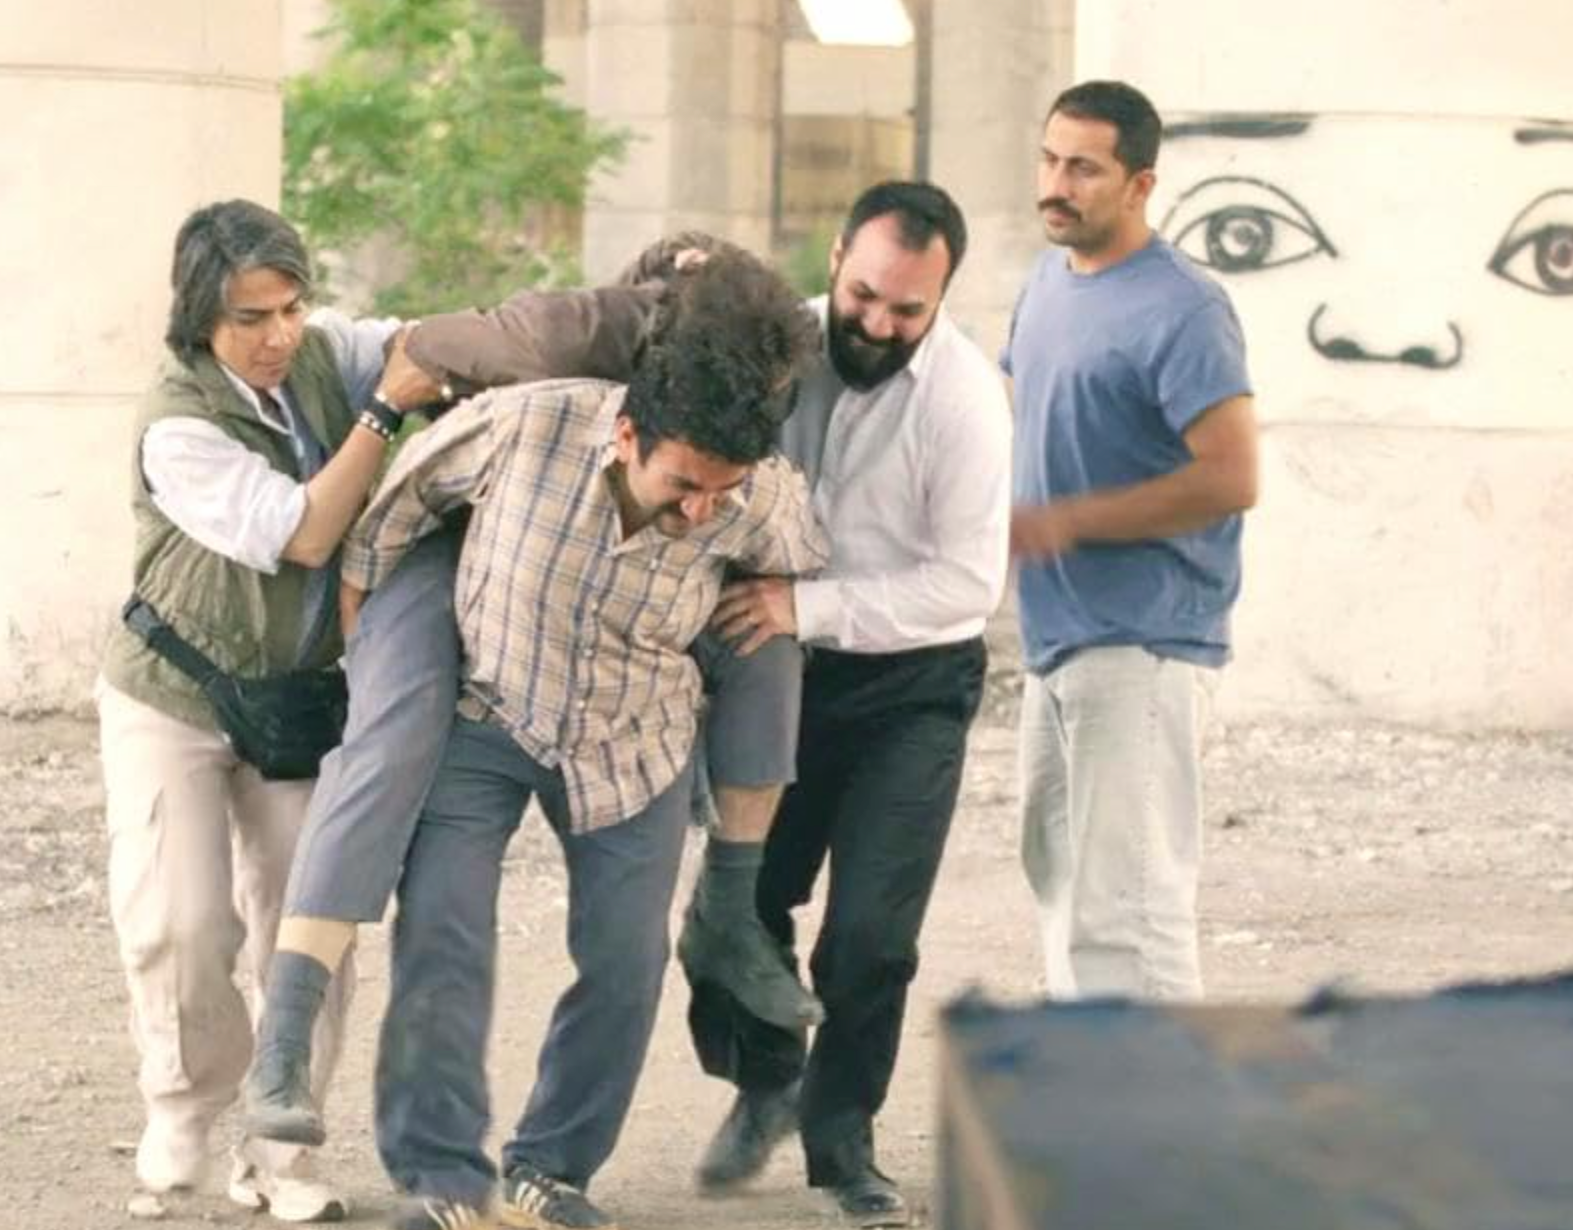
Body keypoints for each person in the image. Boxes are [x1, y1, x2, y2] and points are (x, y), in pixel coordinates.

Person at [336, 249, 824, 1230]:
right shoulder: (529, 422)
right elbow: (387, 526)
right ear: (630, 433)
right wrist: (376, 686)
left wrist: (781, 598)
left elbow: (790, 574)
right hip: (487, 713)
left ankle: (551, 1169)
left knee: (625, 961)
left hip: (632, 739)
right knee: (441, 940)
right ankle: (442, 1181)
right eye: (684, 484)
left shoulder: (761, 494)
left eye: (722, 491)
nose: (702, 509)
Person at [96, 199, 437, 1222]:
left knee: (312, 920)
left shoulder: (329, 352)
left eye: (291, 307)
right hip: (175, 691)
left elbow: (426, 346)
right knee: (181, 918)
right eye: (251, 317)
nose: (279, 334)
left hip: (298, 698)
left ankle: (281, 1149)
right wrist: (385, 415)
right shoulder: (177, 424)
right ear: (201, 315)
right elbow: (302, 533)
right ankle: (184, 1107)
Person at [682, 181, 1012, 1228]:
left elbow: (966, 585)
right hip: (772, 671)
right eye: (864, 296)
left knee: (870, 936)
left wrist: (806, 605)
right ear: (834, 260)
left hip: (911, 685)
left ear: (941, 298)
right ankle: (768, 1078)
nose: (877, 323)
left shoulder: (964, 399)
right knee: (741, 906)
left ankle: (842, 1148)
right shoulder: (773, 347)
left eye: (907, 310)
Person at [1003, 81, 1259, 1001]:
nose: (1055, 185)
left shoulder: (1184, 307)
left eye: (1083, 168)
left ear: (1140, 184)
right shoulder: (1045, 283)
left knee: (1129, 914)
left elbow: (1231, 477)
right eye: (1049, 159)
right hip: (1054, 638)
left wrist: (1066, 521)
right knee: (1064, 890)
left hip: (1142, 644)